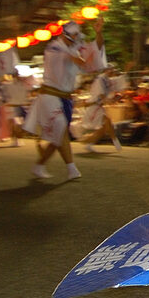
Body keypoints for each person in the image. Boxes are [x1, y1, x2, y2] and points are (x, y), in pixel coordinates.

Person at [23, 18, 106, 179]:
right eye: (74, 36)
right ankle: (72, 169)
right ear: (65, 35)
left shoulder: (74, 47)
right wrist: (84, 61)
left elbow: (96, 49)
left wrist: (98, 33)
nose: (77, 39)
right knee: (60, 126)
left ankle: (39, 165)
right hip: (49, 95)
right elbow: (76, 59)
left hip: (65, 98)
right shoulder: (53, 48)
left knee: (58, 135)